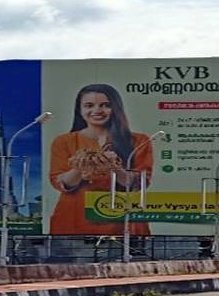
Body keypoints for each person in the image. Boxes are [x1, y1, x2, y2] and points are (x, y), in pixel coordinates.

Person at [49, 84, 153, 235]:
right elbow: (60, 182)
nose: (97, 110)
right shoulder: (63, 141)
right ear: (80, 110)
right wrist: (80, 167)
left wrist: (114, 167)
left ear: (116, 108)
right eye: (89, 105)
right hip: (73, 219)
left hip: (123, 221)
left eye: (105, 105)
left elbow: (140, 183)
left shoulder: (139, 141)